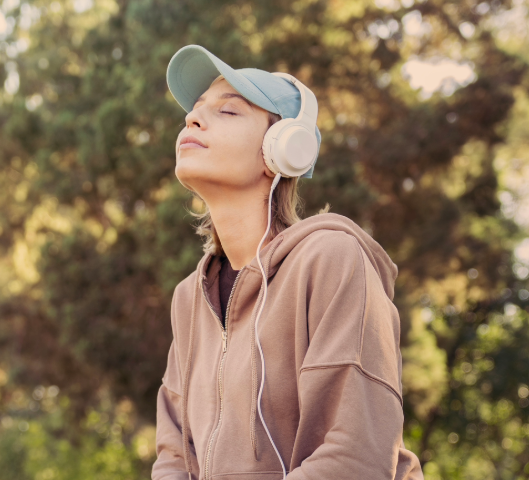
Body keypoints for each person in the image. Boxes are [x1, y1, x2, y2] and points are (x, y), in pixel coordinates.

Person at [152, 45, 424, 479]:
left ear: (283, 149)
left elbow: (356, 456)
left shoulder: (331, 259)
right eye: (196, 109)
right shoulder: (189, 298)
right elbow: (173, 457)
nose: (193, 118)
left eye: (229, 112)